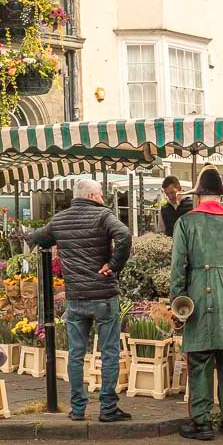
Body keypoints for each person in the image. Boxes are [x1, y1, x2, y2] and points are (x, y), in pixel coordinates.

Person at [32, 178, 132, 423]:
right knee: (108, 351)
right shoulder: (103, 216)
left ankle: (78, 409)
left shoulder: (59, 220)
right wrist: (114, 265)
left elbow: (37, 237)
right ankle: (108, 408)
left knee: (76, 353)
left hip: (76, 297)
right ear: (90, 196)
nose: (102, 198)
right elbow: (124, 234)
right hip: (104, 295)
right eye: (99, 194)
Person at [169, 165, 223, 440]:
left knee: (200, 357)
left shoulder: (186, 223)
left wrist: (176, 303)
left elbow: (178, 266)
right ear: (221, 196)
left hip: (199, 295)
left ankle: (202, 422)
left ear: (200, 194)